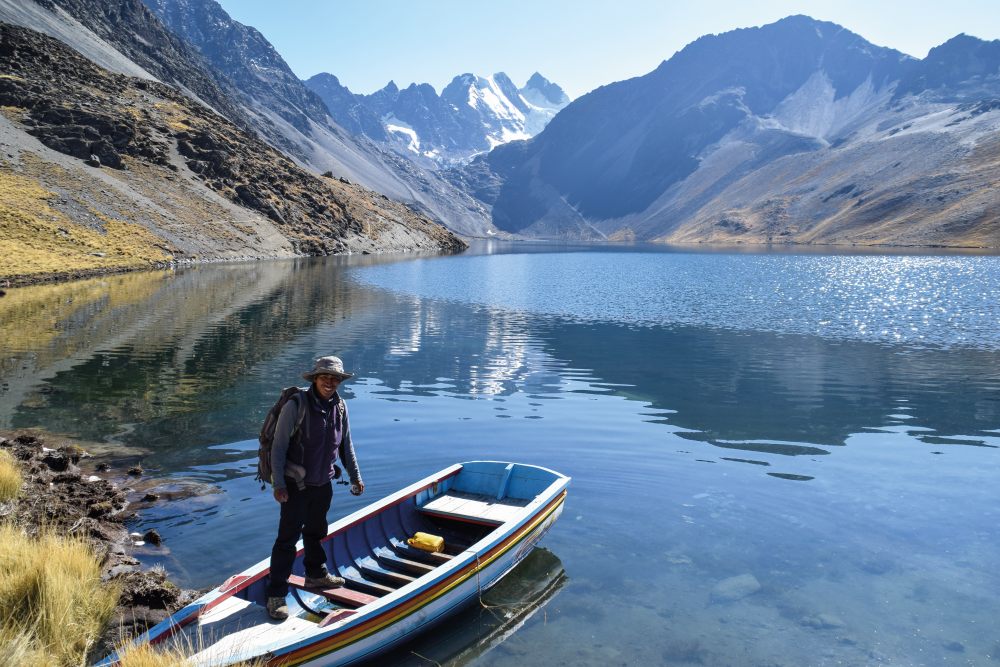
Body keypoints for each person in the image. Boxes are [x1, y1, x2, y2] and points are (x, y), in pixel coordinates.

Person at [266, 355, 364, 621]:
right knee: (287, 540)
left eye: (335, 379)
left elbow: (346, 446)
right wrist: (279, 484)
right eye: (325, 378)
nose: (330, 383)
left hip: (323, 484)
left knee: (316, 531)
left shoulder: (340, 407)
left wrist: (356, 477)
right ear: (315, 379)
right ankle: (275, 593)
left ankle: (316, 574)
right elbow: (279, 447)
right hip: (295, 486)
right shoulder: (296, 405)